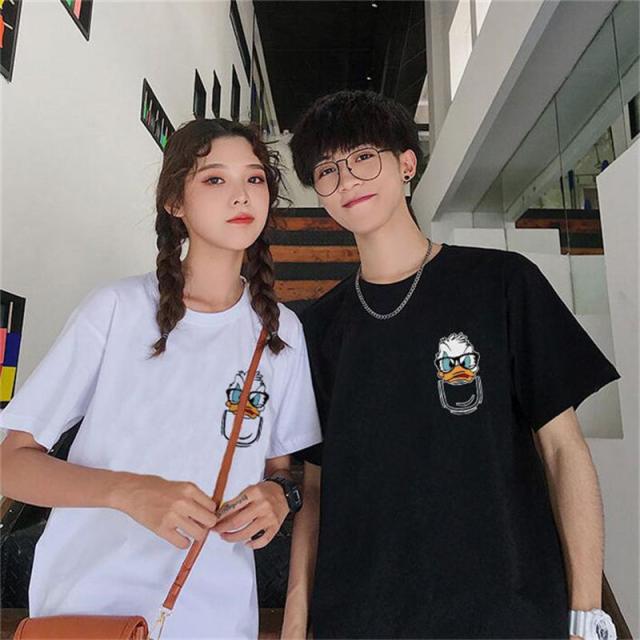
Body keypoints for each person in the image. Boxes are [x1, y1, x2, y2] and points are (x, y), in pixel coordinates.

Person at [281, 90, 620, 639]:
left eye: (363, 157)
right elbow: (317, 489)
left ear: (406, 164)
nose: (347, 180)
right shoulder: (318, 328)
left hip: (505, 613)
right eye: (327, 170)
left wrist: (587, 610)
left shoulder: (502, 283)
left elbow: (563, 451)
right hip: (363, 617)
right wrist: (296, 624)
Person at [0, 118, 322, 639]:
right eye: (214, 179)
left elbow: (280, 469)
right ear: (175, 202)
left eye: (255, 178)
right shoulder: (117, 309)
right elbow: (11, 465)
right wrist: (127, 492)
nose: (241, 194)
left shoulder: (281, 331)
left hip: (217, 615)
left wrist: (278, 496)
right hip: (89, 607)